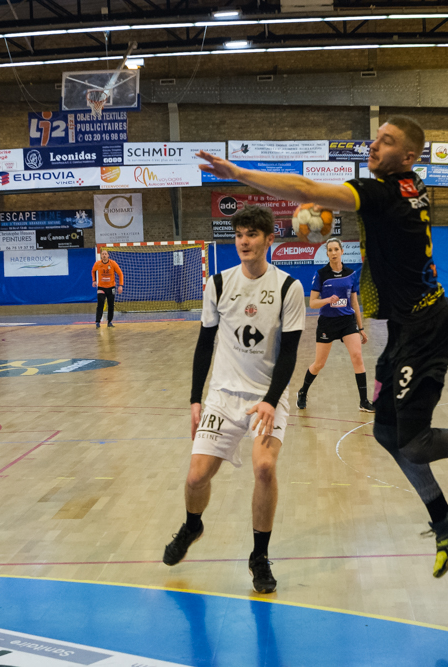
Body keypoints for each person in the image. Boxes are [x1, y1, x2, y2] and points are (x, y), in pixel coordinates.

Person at [196, 115, 448, 579]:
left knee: (415, 442)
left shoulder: (384, 193)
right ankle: (445, 521)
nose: (374, 145)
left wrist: (237, 172)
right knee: (385, 433)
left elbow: (306, 189)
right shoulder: (411, 186)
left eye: (387, 141)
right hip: (404, 329)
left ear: (408, 156)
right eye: (376, 137)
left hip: (427, 329)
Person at [162, 206, 305, 594]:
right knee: (196, 477)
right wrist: (195, 399)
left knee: (265, 469)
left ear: (269, 239)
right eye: (239, 234)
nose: (244, 241)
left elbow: (290, 352)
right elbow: (204, 344)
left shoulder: (289, 288)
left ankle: (259, 556)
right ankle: (193, 526)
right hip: (223, 396)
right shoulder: (219, 283)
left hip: (267, 396)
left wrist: (271, 400)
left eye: (252, 234)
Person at [296, 237, 373, 413]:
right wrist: (327, 300)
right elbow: (312, 303)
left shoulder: (351, 274)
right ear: (327, 253)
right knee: (319, 364)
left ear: (342, 251)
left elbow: (354, 303)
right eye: (330, 250)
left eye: (336, 249)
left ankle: (363, 402)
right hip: (327, 323)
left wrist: (360, 328)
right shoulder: (321, 274)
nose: (333, 253)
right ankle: (303, 392)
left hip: (347, 322)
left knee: (357, 357)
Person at [91, 248, 124, 328]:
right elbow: (93, 271)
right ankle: (97, 321)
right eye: (103, 254)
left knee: (111, 305)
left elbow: (120, 274)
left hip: (111, 287)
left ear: (108, 255)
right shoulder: (98, 264)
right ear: (101, 256)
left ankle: (109, 322)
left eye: (105, 254)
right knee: (100, 304)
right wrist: (94, 280)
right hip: (101, 287)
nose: (104, 255)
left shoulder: (113, 263)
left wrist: (120, 285)